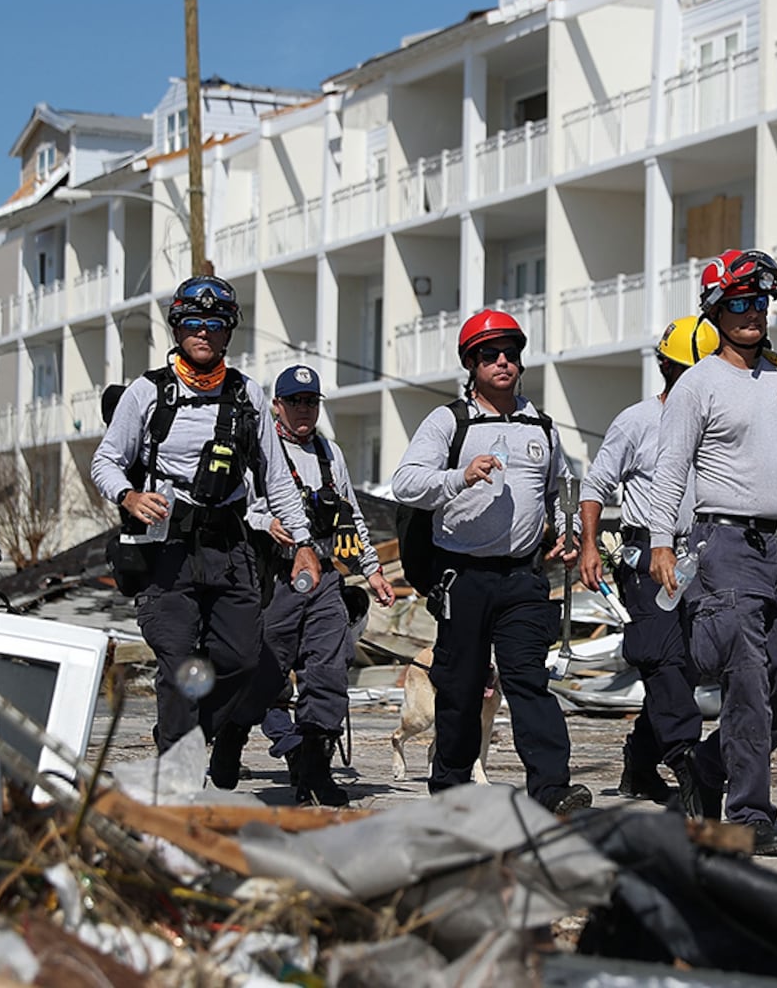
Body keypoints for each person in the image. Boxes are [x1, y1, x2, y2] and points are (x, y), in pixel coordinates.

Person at [647, 249, 777, 855]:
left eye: (759, 302)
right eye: (739, 304)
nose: (752, 313)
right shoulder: (700, 384)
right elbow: (670, 467)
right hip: (725, 542)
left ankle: (708, 765)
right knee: (747, 680)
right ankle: (750, 814)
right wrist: (659, 540)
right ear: (715, 311)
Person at [90, 275, 322, 761]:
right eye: (193, 323)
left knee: (241, 660)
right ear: (177, 328)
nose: (203, 332)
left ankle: (187, 735)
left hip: (229, 548)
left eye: (215, 324)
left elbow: (276, 477)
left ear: (228, 332)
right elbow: (105, 461)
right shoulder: (147, 392)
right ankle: (178, 773)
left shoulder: (248, 396)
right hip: (165, 549)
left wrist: (302, 543)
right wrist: (129, 496)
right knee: (178, 666)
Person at [389, 308, 592, 813]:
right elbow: (406, 482)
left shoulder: (541, 427)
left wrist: (567, 533)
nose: (502, 362)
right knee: (460, 686)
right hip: (463, 577)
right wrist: (458, 476)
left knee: (528, 680)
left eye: (511, 354)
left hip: (522, 577)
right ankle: (452, 789)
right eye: (489, 355)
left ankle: (551, 789)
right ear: (471, 364)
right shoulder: (449, 421)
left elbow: (560, 493)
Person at [207, 363, 396, 803]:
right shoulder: (261, 448)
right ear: (277, 405)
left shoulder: (330, 454)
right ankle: (233, 733)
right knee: (266, 672)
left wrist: (372, 568)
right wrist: (266, 520)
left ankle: (314, 770)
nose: (304, 410)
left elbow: (351, 515)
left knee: (329, 671)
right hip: (275, 576)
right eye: (295, 401)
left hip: (326, 576)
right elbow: (239, 507)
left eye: (311, 401)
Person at [579, 317, 719, 809]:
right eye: (689, 370)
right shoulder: (637, 421)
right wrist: (590, 546)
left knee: (682, 671)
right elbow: (595, 485)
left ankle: (639, 762)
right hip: (645, 557)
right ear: (665, 367)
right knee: (660, 656)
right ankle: (687, 761)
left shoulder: (718, 421)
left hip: (701, 554)